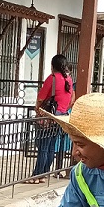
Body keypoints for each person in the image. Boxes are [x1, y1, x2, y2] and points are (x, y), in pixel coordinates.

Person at [27, 54, 75, 183]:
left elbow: (41, 98)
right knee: (51, 146)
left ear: (53, 66)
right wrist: (62, 109)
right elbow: (72, 99)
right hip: (60, 118)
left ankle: (37, 175)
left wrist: (38, 109)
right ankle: (45, 174)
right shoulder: (69, 80)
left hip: (47, 117)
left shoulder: (52, 78)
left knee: (43, 146)